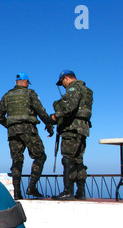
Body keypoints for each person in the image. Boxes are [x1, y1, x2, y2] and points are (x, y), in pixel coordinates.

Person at [0, 73, 54, 200]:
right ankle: (31, 187)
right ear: (26, 81)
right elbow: (41, 112)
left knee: (17, 161)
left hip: (12, 133)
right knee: (40, 156)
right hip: (28, 130)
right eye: (28, 83)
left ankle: (17, 192)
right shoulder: (30, 94)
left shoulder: (6, 96)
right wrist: (50, 125)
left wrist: (11, 126)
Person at [50, 70, 93, 200]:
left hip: (72, 128)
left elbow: (70, 107)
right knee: (78, 160)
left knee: (67, 159)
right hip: (82, 129)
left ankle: (68, 191)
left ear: (66, 78)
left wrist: (55, 117)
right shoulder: (87, 90)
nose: (63, 85)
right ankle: (81, 192)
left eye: (62, 82)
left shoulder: (74, 88)